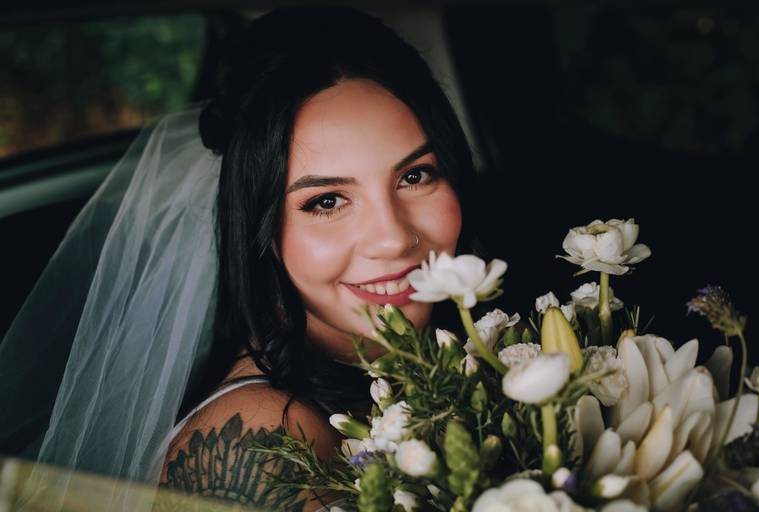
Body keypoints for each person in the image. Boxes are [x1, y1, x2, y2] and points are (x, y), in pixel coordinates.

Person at [0, 6, 485, 511]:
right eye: (326, 201)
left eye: (415, 176)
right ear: (260, 228)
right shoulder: (258, 442)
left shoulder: (470, 353)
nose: (393, 238)